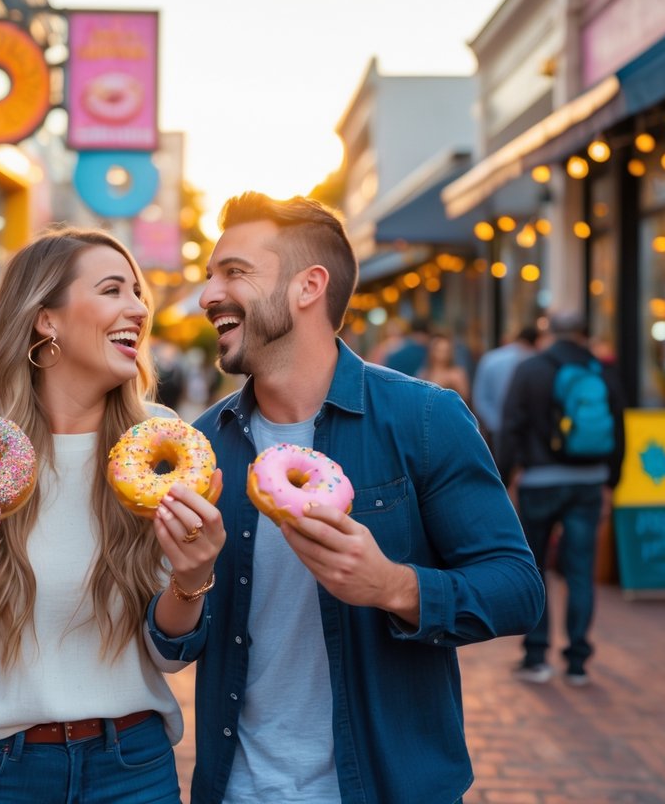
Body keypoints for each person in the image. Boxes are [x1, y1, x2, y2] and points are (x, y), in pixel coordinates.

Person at [147, 192, 544, 803]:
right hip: (237, 789)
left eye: (235, 272)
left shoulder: (424, 420)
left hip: (388, 786)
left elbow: (517, 589)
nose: (208, 296)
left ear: (309, 286)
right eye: (209, 276)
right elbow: (177, 644)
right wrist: (188, 579)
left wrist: (391, 585)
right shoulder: (204, 446)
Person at [0, 228, 216, 804]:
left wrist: (193, 578)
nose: (138, 308)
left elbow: (169, 655)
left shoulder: (155, 442)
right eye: (112, 290)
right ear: (46, 318)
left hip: (133, 766)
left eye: (137, 292)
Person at [496, 310, 625, 687]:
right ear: (584, 334)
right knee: (580, 571)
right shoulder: (601, 370)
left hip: (539, 482)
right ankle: (578, 660)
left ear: (549, 332)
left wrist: (503, 478)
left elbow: (510, 426)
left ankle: (536, 657)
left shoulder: (531, 369)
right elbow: (620, 426)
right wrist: (611, 482)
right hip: (589, 482)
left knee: (535, 568)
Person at [471, 325, 540, 443]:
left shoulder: (490, 358)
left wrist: (495, 424)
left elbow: (479, 398)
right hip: (528, 432)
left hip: (496, 429)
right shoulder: (535, 361)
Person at [419, 331, 471, 405]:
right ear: (432, 351)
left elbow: (465, 399)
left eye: (446, 350)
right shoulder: (423, 374)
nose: (442, 354)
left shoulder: (456, 374)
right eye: (439, 350)